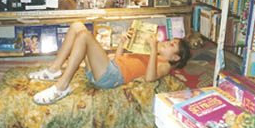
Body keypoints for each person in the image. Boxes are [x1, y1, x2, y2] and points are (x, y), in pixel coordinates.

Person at [29, 21, 191, 105]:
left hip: (111, 76)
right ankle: (54, 69)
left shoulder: (164, 65)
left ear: (176, 58)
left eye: (171, 45)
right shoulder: (151, 54)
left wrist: (154, 47)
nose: (167, 42)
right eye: (169, 40)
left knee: (85, 35)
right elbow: (118, 60)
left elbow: (150, 78)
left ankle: (61, 86)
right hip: (109, 69)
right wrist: (121, 43)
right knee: (77, 26)